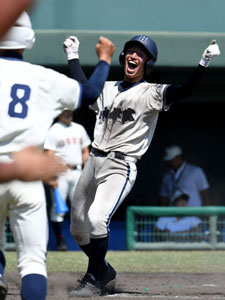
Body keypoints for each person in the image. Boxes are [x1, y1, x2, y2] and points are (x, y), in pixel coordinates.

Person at [62, 35, 220, 297]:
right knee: (78, 228)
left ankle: (93, 279)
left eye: (141, 53)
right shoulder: (108, 87)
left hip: (119, 165)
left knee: (97, 219)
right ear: (123, 57)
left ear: (148, 63)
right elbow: (85, 89)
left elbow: (182, 91)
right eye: (130, 51)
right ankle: (103, 269)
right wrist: (72, 56)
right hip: (93, 160)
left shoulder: (151, 92)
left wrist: (203, 62)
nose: (134, 56)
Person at [0, 12, 115, 300]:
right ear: (28, 39)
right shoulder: (42, 77)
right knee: (33, 263)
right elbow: (90, 92)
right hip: (27, 178)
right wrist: (104, 60)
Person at [44, 109, 91, 251]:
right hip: (61, 173)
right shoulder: (54, 129)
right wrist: (51, 176)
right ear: (58, 113)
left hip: (77, 171)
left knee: (81, 208)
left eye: (70, 111)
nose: (69, 114)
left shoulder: (79, 128)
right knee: (58, 209)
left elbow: (85, 150)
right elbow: (49, 154)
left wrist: (87, 171)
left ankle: (85, 240)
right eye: (65, 111)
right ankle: (60, 240)